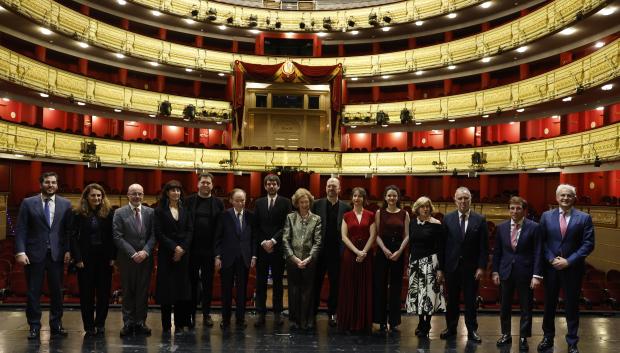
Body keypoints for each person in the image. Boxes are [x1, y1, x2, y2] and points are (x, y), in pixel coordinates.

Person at [537, 184, 594, 353]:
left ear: (574, 198)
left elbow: (588, 244)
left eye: (569, 195)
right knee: (549, 305)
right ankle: (547, 338)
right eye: (562, 195)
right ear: (556, 198)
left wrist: (569, 261)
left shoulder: (584, 218)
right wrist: (551, 258)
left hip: (573, 269)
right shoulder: (546, 216)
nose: (565, 198)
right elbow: (542, 242)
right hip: (551, 268)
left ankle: (572, 342)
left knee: (572, 306)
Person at [15, 171, 72, 340]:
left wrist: (68, 250)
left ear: (57, 184)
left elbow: (67, 231)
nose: (50, 185)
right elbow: (21, 229)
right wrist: (20, 251)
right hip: (33, 254)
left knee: (57, 292)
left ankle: (56, 325)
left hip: (57, 255)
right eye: (47, 182)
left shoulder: (65, 204)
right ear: (41, 184)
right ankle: (34, 326)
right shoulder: (28, 203)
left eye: (53, 182)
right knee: (33, 292)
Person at [492, 196, 542, 351]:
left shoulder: (534, 227)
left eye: (518, 208)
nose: (514, 211)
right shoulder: (501, 227)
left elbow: (538, 252)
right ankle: (506, 334)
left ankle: (523, 337)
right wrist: (495, 271)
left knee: (526, 307)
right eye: (512, 208)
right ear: (509, 210)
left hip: (526, 273)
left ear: (524, 210)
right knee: (504, 307)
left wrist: (536, 275)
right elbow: (497, 252)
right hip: (506, 272)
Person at [440, 186, 489, 343]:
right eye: (460, 198)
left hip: (471, 268)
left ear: (470, 200)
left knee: (470, 301)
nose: (463, 201)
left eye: (466, 198)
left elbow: (484, 247)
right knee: (452, 300)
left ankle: (472, 330)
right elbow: (442, 246)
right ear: (455, 200)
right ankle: (451, 328)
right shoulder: (447, 218)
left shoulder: (480, 219)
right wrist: (440, 269)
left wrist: (481, 267)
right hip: (451, 267)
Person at [70, 183, 116, 337]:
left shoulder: (109, 213)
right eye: (93, 195)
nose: (96, 198)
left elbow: (113, 237)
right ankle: (89, 326)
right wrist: (77, 258)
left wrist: (113, 257)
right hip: (85, 260)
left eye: (99, 195)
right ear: (86, 197)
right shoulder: (77, 214)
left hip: (104, 260)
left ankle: (100, 324)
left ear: (103, 197)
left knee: (103, 294)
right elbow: (73, 238)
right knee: (86, 295)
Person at [113, 183, 156, 337]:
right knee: (128, 291)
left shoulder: (151, 212)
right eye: (134, 193)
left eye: (140, 193)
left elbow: (153, 235)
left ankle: (141, 322)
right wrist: (133, 253)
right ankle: (128, 323)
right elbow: (117, 236)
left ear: (143, 195)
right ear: (128, 195)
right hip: (127, 259)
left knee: (143, 292)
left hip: (145, 259)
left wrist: (145, 251)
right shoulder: (119, 212)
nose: (137, 196)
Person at [185, 172, 224, 327]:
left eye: (208, 183)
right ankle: (191, 314)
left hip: (210, 250)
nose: (205, 185)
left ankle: (206, 314)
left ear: (212, 185)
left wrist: (218, 254)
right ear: (198, 184)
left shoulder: (218, 203)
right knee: (192, 283)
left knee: (208, 284)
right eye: (203, 182)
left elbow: (220, 230)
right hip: (192, 250)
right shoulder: (188, 201)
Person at [214, 188, 257, 330]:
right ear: (231, 200)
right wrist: (217, 256)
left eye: (243, 200)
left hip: (244, 258)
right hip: (227, 258)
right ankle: (225, 319)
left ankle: (240, 319)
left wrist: (254, 255)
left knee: (242, 291)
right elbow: (218, 238)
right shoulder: (224, 215)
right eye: (237, 200)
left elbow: (253, 239)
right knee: (226, 290)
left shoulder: (251, 216)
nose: (240, 203)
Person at [154, 180, 193, 335]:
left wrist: (182, 248)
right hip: (166, 254)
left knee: (181, 290)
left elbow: (190, 231)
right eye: (172, 190)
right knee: (166, 290)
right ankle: (166, 325)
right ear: (167, 192)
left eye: (178, 190)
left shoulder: (186, 209)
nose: (176, 193)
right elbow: (159, 233)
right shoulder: (159, 210)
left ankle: (180, 323)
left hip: (183, 255)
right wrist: (174, 247)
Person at [253, 174, 292, 327]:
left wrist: (273, 241)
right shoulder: (259, 202)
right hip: (262, 249)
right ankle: (260, 313)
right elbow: (255, 226)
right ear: (265, 186)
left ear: (278, 186)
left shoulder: (286, 202)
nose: (271, 186)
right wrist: (264, 242)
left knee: (278, 283)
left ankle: (277, 313)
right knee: (260, 283)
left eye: (274, 184)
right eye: (268, 184)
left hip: (278, 248)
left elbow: (286, 226)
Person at [312, 177, 351, 327]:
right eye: (329, 186)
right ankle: (313, 313)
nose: (331, 188)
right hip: (320, 251)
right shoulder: (316, 205)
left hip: (337, 252)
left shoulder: (346, 208)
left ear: (339, 189)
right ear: (325, 188)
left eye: (334, 186)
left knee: (335, 284)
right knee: (316, 283)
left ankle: (332, 314)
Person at [337, 187, 376, 334]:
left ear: (364, 199)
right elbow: (344, 237)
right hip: (350, 254)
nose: (357, 198)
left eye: (360, 196)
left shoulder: (370, 215)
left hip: (366, 255)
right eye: (355, 196)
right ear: (351, 198)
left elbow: (373, 235)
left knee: (364, 287)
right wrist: (357, 252)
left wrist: (364, 252)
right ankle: (349, 322)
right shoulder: (346, 215)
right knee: (350, 286)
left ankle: (363, 323)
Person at [282, 188, 322, 331]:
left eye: (307, 202)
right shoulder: (290, 217)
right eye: (301, 202)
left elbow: (317, 241)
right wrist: (294, 258)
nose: (305, 204)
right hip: (293, 260)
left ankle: (307, 320)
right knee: (293, 290)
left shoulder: (316, 219)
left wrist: (309, 258)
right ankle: (294, 320)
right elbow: (285, 239)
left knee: (308, 291)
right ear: (297, 203)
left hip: (309, 260)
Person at [406, 196, 446, 338]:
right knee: (418, 295)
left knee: (428, 295)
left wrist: (440, 269)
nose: (426, 209)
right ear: (417, 209)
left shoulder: (437, 224)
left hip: (430, 263)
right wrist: (409, 263)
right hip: (415, 263)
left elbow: (440, 247)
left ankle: (426, 323)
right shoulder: (412, 223)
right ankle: (420, 322)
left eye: (428, 206)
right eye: (423, 206)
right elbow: (411, 244)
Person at [373, 185, 410, 333]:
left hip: (398, 251)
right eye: (389, 195)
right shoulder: (379, 212)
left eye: (394, 195)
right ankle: (380, 321)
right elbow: (376, 234)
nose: (392, 198)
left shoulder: (404, 213)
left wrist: (399, 251)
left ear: (398, 197)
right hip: (382, 251)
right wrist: (385, 250)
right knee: (380, 286)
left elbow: (407, 235)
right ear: (385, 197)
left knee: (396, 287)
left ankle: (394, 321)